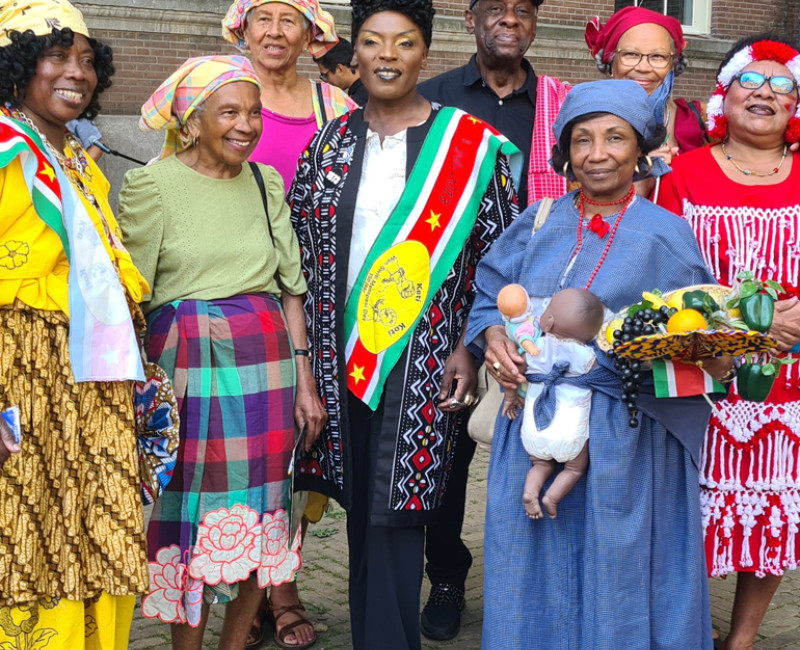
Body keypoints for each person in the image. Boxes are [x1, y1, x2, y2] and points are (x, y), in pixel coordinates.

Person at [287, 1, 520, 648]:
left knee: (396, 507)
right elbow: (298, 257)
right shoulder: (328, 142)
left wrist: (471, 349)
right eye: (372, 42)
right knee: (364, 505)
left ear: (425, 53)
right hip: (339, 355)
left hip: (425, 356)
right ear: (353, 54)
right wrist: (303, 362)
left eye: (404, 43)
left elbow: (498, 260)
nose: (387, 55)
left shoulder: (473, 147)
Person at [466, 79, 728, 649]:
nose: (597, 153)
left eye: (615, 137)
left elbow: (701, 336)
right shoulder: (537, 221)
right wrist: (493, 338)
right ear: (564, 152)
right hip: (535, 423)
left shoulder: (667, 234)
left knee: (616, 558)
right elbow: (487, 291)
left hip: (626, 438)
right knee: (530, 549)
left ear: (641, 149)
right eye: (581, 140)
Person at [118, 54, 326, 650]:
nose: (247, 125)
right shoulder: (152, 186)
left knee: (265, 513)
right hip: (190, 370)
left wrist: (305, 382)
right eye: (229, 111)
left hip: (267, 364)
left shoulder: (266, 182)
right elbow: (134, 295)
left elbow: (291, 287)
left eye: (255, 112)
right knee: (192, 518)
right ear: (192, 121)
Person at [0, 1, 151, 647]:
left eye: (87, 60)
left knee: (101, 532)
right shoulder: (9, 153)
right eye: (56, 55)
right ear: (17, 67)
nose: (76, 72)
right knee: (35, 535)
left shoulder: (78, 160)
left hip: (96, 383)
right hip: (24, 379)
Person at [416, 0, 568, 637]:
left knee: (546, 444)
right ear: (470, 19)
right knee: (447, 453)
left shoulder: (562, 108)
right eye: (495, 8)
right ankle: (447, 575)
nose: (510, 19)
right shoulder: (433, 100)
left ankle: (540, 583)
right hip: (447, 302)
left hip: (542, 302)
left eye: (523, 9)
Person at [657, 35, 800, 650]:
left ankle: (740, 640)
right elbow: (661, 276)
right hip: (701, 374)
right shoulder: (682, 173)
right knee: (688, 510)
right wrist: (747, 325)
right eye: (751, 79)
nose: (765, 91)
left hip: (787, 384)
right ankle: (687, 626)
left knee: (769, 514)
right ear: (724, 95)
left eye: (783, 84)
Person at [222, 0, 358, 194]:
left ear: (306, 38)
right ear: (246, 33)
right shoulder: (218, 95)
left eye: (287, 21)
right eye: (264, 19)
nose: (275, 31)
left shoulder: (337, 105)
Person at [497, 287, 605, 520]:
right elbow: (601, 377)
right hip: (569, 434)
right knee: (575, 468)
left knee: (540, 464)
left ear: (548, 321)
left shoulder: (536, 349)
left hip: (534, 429)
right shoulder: (587, 355)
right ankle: (552, 497)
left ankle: (530, 492)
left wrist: (510, 396)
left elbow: (515, 372)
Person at [585, 5, 707, 197]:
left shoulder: (704, 121)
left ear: (674, 65)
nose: (643, 67)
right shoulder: (583, 124)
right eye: (630, 54)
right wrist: (644, 180)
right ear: (610, 61)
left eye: (657, 57)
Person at [314, 38, 369, 106]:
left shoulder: (360, 102)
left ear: (340, 69)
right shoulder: (371, 88)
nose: (326, 82)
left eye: (325, 75)